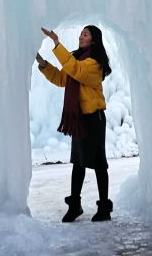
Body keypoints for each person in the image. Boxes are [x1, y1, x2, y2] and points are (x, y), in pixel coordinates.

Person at [35, 25, 114, 222]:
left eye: (85, 34)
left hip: (94, 118)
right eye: (81, 34)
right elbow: (62, 78)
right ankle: (75, 206)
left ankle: (104, 208)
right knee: (78, 162)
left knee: (98, 164)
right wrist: (43, 64)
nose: (80, 37)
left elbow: (76, 71)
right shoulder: (76, 59)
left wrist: (56, 43)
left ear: (93, 40)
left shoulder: (94, 64)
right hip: (80, 118)